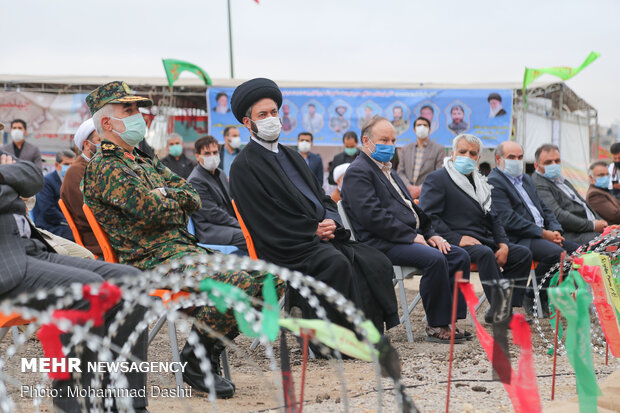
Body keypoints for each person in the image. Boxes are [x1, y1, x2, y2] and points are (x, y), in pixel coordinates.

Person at [82, 81, 280, 398]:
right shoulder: (105, 168)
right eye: (129, 110)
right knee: (236, 283)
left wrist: (166, 195)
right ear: (106, 122)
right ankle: (195, 360)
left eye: (138, 110)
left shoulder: (144, 160)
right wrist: (168, 202)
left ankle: (207, 348)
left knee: (269, 279)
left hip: (184, 252)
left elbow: (193, 196)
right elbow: (151, 212)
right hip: (150, 264)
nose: (138, 117)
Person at [229, 78, 398, 333]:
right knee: (335, 263)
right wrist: (311, 230)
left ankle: (367, 331)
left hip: (316, 236)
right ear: (247, 122)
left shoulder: (292, 155)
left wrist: (331, 221)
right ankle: (332, 341)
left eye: (274, 112)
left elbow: (323, 197)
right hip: (285, 244)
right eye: (262, 114)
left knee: (373, 259)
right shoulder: (244, 166)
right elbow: (264, 218)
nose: (271, 118)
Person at [0, 150, 148, 412]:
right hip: (6, 264)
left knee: (131, 281)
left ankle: (124, 404)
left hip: (31, 249)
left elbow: (34, 177)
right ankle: (75, 405)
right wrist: (8, 180)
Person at [342, 116, 471, 342]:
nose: (390, 146)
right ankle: (436, 325)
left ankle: (450, 319)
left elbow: (412, 209)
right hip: (380, 242)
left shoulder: (388, 170)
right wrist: (412, 237)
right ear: (366, 141)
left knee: (458, 255)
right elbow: (372, 217)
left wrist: (432, 234)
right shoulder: (359, 171)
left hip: (405, 237)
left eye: (393, 140)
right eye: (384, 140)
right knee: (434, 259)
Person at [420, 135, 531, 321]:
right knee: (485, 253)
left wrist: (503, 244)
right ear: (453, 153)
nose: (467, 156)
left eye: (472, 153)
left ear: (478, 158)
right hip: (451, 241)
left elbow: (494, 218)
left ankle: (503, 308)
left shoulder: (480, 182)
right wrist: (457, 238)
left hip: (483, 239)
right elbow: (429, 217)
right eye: (462, 152)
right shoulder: (437, 179)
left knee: (522, 255)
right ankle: (502, 312)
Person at [488, 141, 580, 316]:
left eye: (520, 157)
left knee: (579, 252)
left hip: (541, 234)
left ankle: (543, 295)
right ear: (498, 159)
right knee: (557, 254)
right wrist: (543, 233)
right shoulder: (494, 182)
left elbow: (545, 209)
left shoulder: (526, 179)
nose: (517, 161)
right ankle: (531, 295)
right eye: (511, 157)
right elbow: (508, 219)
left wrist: (556, 230)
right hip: (516, 237)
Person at [532, 144, 606, 245]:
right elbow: (558, 215)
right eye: (548, 162)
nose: (554, 165)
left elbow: (583, 204)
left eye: (557, 161)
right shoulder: (539, 183)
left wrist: (601, 222)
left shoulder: (561, 180)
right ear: (536, 165)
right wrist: (592, 225)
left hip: (589, 228)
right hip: (571, 233)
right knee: (612, 242)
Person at [187, 135, 247, 253]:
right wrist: (240, 225)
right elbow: (213, 214)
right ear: (198, 156)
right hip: (210, 229)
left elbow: (232, 202)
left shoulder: (221, 174)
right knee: (248, 237)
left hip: (225, 224)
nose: (212, 156)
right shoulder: (196, 180)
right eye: (207, 153)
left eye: (215, 152)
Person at [60, 118, 103, 256]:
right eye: (100, 140)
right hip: (97, 240)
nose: (106, 145)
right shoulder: (76, 172)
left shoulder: (96, 167)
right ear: (87, 144)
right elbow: (88, 214)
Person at [397, 116, 445, 199]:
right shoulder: (405, 149)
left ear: (429, 129)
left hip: (428, 194)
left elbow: (439, 173)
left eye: (425, 125)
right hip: (407, 193)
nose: (422, 127)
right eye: (419, 125)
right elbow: (400, 172)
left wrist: (420, 189)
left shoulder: (439, 149)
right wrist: (409, 187)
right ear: (414, 129)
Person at [32, 150, 76, 240]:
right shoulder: (47, 182)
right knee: (75, 236)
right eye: (67, 164)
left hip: (66, 223)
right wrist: (68, 221)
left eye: (73, 164)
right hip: (50, 225)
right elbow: (48, 209)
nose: (70, 167)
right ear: (57, 165)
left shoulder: (74, 182)